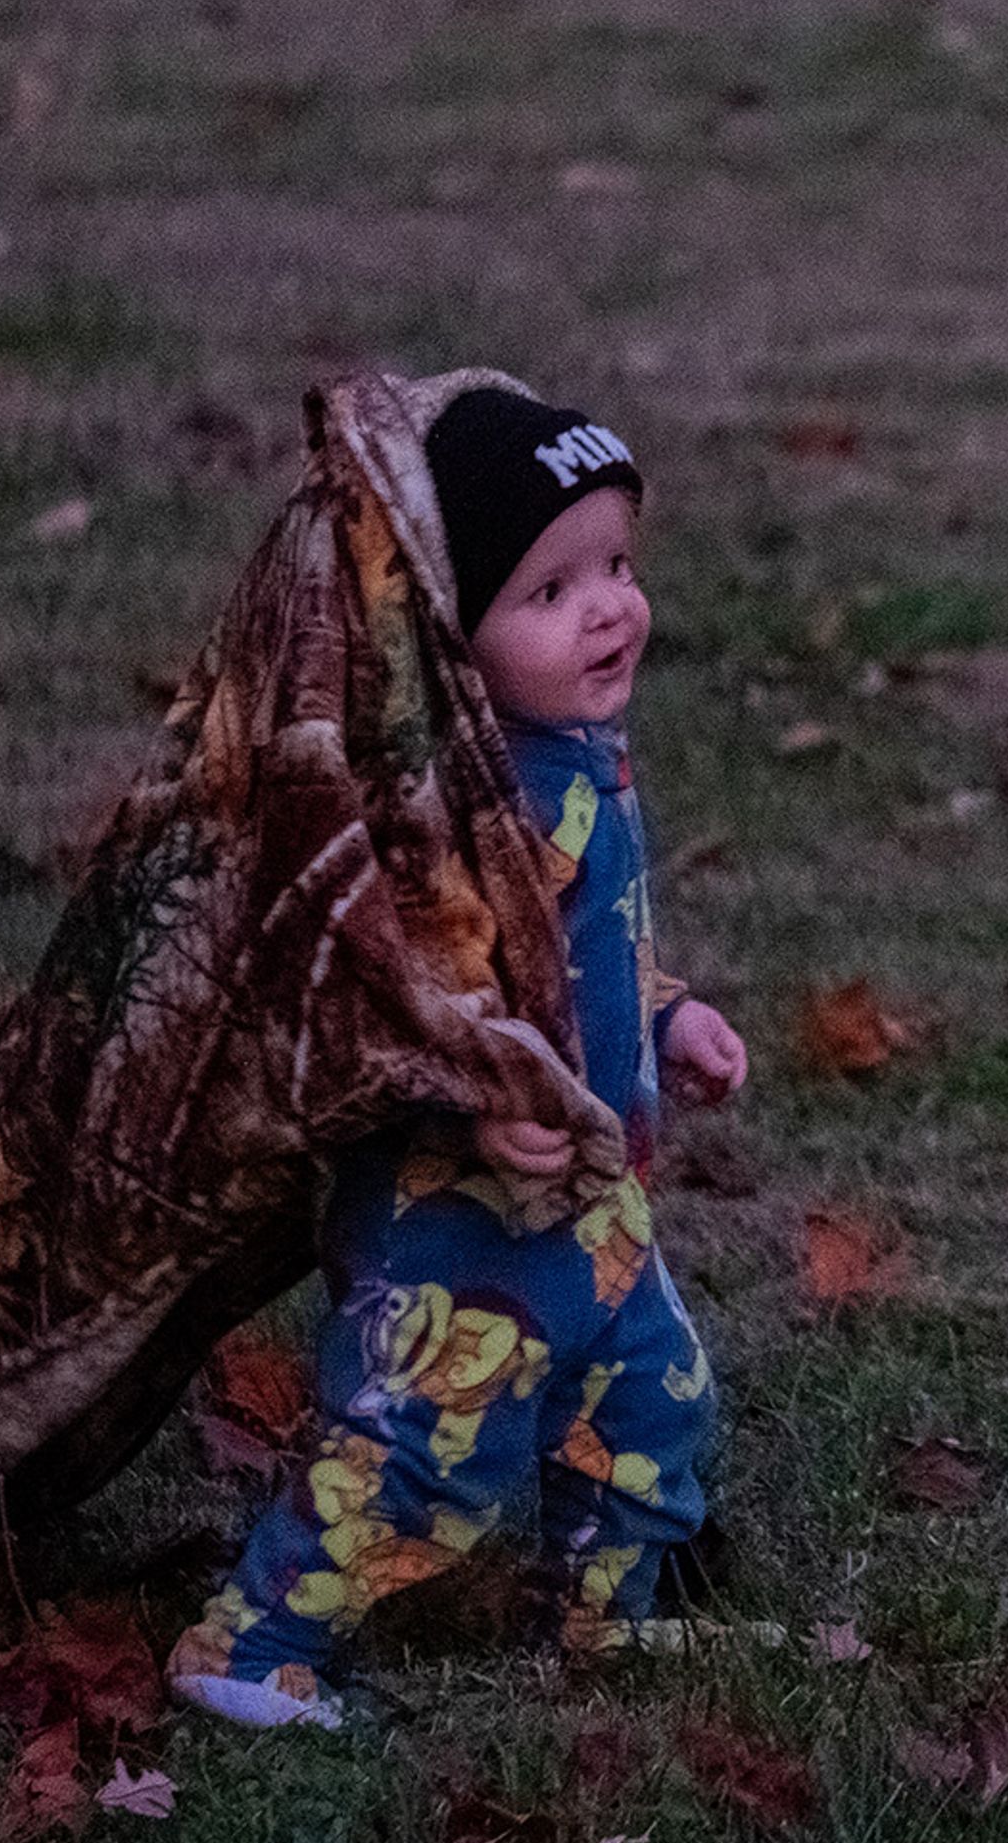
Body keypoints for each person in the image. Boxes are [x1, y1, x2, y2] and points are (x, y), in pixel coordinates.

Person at [169, 385, 747, 1729]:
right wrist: (479, 1100)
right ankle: (248, 1647)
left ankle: (604, 1618)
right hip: (458, 1232)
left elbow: (595, 944)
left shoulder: (580, 760)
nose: (608, 606)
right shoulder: (435, 821)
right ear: (447, 635)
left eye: (616, 566)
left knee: (655, 1408)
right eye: (550, 590)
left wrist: (664, 1015)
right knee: (422, 1452)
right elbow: (395, 1000)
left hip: (591, 1209)